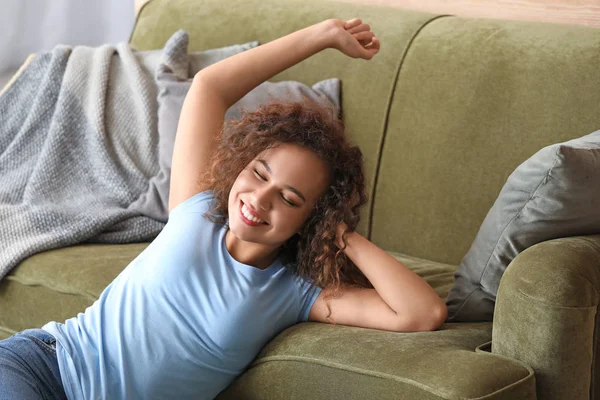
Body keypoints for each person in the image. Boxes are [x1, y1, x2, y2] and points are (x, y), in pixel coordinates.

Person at [0, 17, 447, 400]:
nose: (259, 199)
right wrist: (321, 35)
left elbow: (421, 313)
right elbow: (210, 86)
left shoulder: (296, 293)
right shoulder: (194, 209)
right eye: (259, 173)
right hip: (43, 368)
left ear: (310, 217)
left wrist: (342, 234)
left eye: (290, 198)